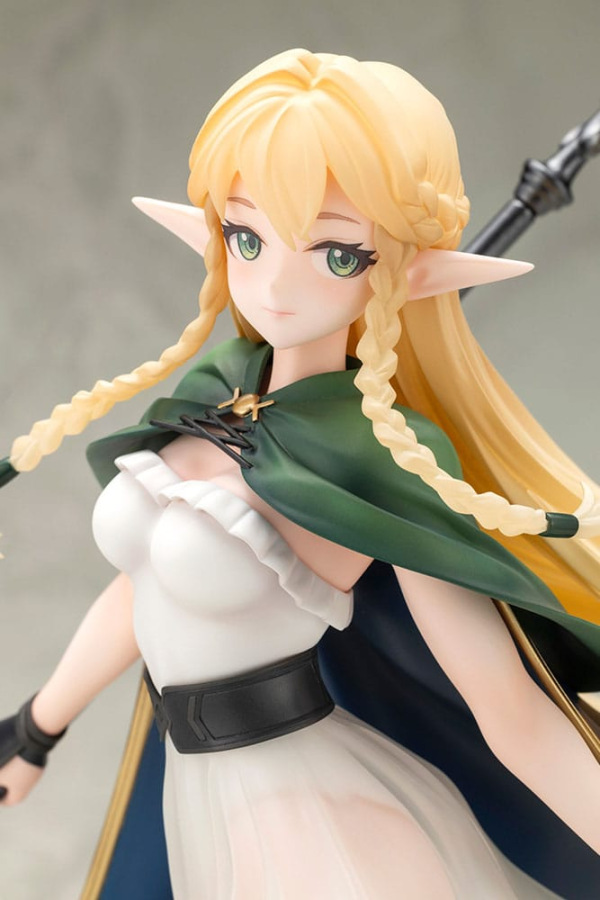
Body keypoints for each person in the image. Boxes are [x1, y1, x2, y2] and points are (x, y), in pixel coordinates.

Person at [1, 49, 600, 899]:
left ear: (406, 272)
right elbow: (145, 590)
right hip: (207, 806)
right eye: (247, 238)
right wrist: (35, 728)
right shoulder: (219, 392)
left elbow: (512, 714)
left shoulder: (379, 461)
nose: (275, 285)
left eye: (337, 254)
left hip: (316, 830)